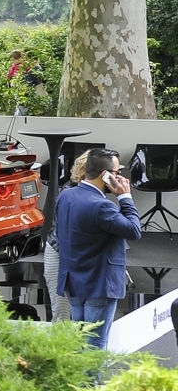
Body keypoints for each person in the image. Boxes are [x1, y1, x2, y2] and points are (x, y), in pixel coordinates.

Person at [55, 148, 142, 350]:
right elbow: (133, 230)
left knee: (80, 344)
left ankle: (78, 382)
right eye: (117, 173)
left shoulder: (66, 196)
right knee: (94, 347)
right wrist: (125, 197)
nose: (119, 177)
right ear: (106, 175)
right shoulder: (102, 206)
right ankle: (91, 383)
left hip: (74, 283)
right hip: (99, 285)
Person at [43, 150, 89, 323]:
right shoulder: (69, 195)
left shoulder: (87, 193)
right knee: (62, 313)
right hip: (59, 253)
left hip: (73, 254)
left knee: (80, 315)